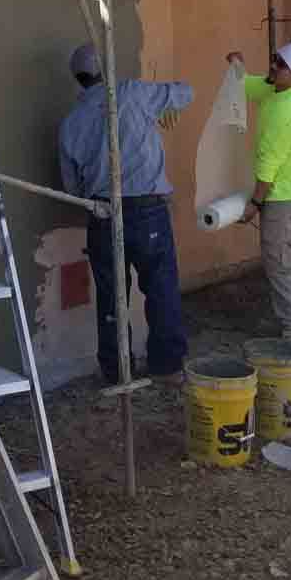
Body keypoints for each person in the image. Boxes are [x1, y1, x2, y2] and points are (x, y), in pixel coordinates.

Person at [59, 43, 193, 386]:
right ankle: (167, 367)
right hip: (147, 211)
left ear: (77, 78)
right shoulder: (132, 93)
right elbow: (185, 93)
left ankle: (117, 373)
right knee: (160, 286)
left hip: (102, 214)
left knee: (112, 297)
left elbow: (73, 188)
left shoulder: (71, 123)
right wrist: (161, 106)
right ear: (107, 69)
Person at [227, 43, 291, 351]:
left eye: (280, 65)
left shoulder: (287, 112)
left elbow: (268, 168)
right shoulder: (280, 89)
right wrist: (238, 69)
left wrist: (254, 205)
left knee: (282, 262)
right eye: (274, 60)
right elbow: (251, 87)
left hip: (288, 197)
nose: (273, 67)